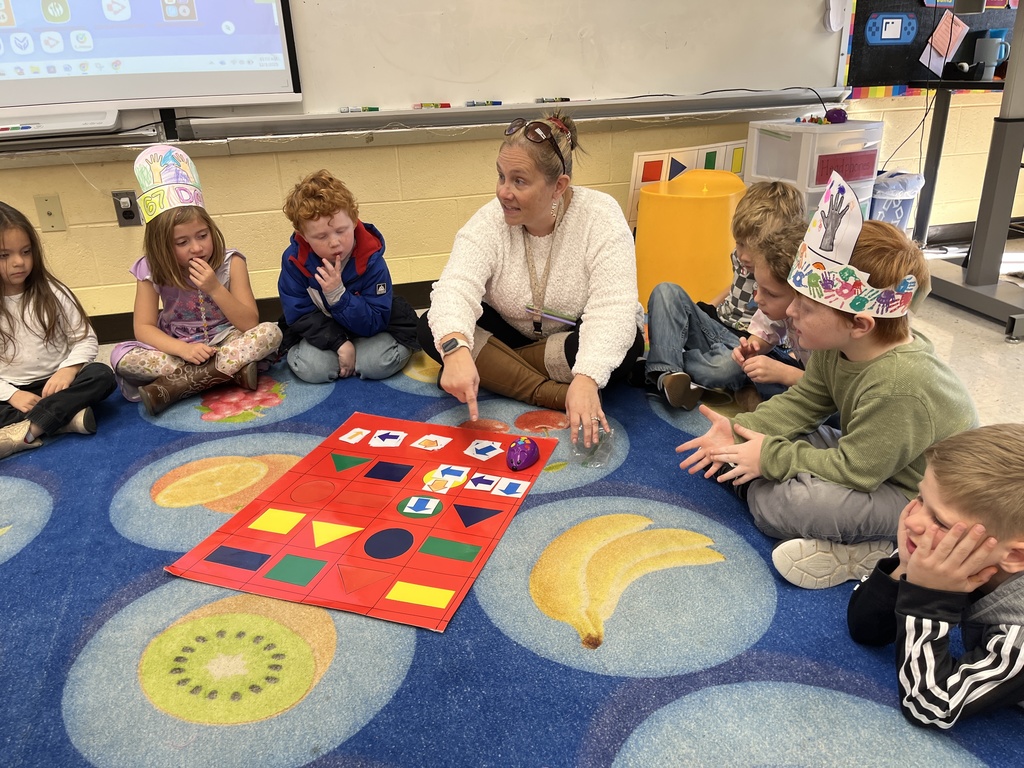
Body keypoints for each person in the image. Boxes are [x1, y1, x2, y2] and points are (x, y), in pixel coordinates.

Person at [678, 173, 978, 588]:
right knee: (747, 449)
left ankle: (879, 548)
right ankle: (776, 483)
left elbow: (856, 471)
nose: (790, 313)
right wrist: (739, 430)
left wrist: (769, 460)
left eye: (804, 305)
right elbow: (802, 405)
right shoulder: (835, 348)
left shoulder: (900, 384)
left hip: (920, 497)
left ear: (859, 323)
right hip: (871, 459)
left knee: (782, 504)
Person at [418, 112, 645, 446]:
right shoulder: (490, 221)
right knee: (432, 329)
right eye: (501, 176)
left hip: (567, 334)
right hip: (512, 333)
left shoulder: (600, 216)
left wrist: (585, 378)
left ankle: (501, 374)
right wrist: (454, 351)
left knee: (626, 343)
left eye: (519, 181)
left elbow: (613, 308)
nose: (503, 192)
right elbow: (455, 286)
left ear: (558, 187)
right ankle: (551, 394)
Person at [847, 424, 1024, 728]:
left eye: (940, 522)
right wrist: (905, 568)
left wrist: (926, 600)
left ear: (1014, 556)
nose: (912, 520)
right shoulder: (944, 548)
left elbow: (932, 705)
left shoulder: (1019, 635)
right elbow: (865, 630)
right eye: (920, 498)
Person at [111, 145, 282, 416]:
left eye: (202, 235)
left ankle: (181, 384)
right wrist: (182, 349)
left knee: (271, 333)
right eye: (182, 242)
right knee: (122, 358)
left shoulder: (231, 262)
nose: (196, 247)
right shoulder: (150, 269)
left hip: (227, 338)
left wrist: (214, 287)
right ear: (162, 246)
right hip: (179, 346)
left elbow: (250, 323)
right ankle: (227, 374)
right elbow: (143, 328)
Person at [645, 180, 805, 410]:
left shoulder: (780, 274)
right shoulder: (743, 258)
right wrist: (706, 307)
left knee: (726, 368)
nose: (742, 255)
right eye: (739, 244)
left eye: (751, 248)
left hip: (749, 343)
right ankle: (669, 371)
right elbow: (735, 287)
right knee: (665, 291)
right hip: (720, 324)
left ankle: (663, 362)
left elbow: (770, 332)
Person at [277, 169, 418, 383]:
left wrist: (338, 295)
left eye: (341, 231)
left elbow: (376, 320)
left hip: (370, 328)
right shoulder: (294, 261)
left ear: (354, 221)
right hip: (323, 330)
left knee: (375, 364)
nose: (334, 242)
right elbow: (298, 314)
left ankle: (359, 354)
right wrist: (339, 343)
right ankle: (341, 352)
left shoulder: (371, 257)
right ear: (303, 236)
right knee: (314, 369)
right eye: (321, 236)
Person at [0, 201, 116, 460]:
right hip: (12, 392)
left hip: (60, 385)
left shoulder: (53, 292)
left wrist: (69, 369)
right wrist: (12, 394)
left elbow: (85, 339)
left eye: (26, 251)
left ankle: (30, 431)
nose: (19, 262)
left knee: (102, 375)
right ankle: (65, 419)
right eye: (4, 255)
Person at [728, 222, 810, 410]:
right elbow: (765, 331)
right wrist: (753, 349)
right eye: (758, 288)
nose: (757, 299)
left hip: (829, 395)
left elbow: (831, 391)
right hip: (803, 374)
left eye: (771, 294)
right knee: (744, 369)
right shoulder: (777, 307)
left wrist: (783, 373)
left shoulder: (823, 330)